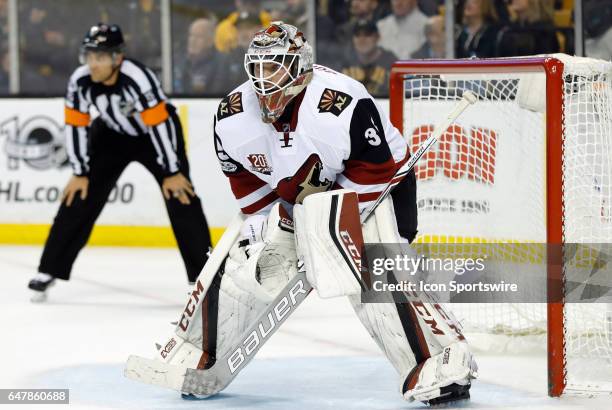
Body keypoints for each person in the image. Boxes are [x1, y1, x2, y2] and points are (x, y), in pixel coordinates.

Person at [205, 21, 476, 404]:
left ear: (300, 66)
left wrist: (321, 225)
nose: (265, 80)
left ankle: (436, 361)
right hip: (300, 202)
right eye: (259, 67)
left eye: (276, 66)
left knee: (371, 269)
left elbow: (376, 171)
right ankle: (204, 352)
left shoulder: (341, 101)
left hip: (382, 188)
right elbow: (246, 184)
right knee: (250, 265)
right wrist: (276, 228)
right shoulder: (232, 116)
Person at [27, 23, 212, 301]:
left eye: (100, 57)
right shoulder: (80, 81)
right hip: (112, 135)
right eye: (89, 56)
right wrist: (80, 171)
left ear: (117, 58)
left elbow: (160, 125)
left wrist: (171, 171)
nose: (93, 64)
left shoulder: (138, 78)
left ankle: (204, 277)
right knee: (79, 194)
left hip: (154, 136)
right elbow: (75, 126)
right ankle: (49, 269)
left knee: (180, 195)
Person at [341, 20, 398, 96]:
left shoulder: (391, 62)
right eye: (357, 35)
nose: (362, 39)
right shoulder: (346, 62)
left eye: (367, 34)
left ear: (377, 37)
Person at [178, 16, 226, 94]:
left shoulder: (221, 63)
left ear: (210, 41)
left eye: (198, 36)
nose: (193, 40)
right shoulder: (180, 60)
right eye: (191, 35)